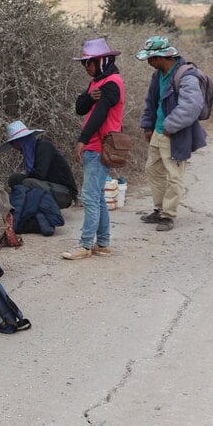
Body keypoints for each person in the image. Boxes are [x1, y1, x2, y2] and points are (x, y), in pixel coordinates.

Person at [61, 38, 125, 260]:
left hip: (99, 147)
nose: (86, 67)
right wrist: (89, 96)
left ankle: (85, 245)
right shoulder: (97, 83)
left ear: (102, 61)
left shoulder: (111, 83)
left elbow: (99, 115)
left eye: (88, 63)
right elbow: (80, 107)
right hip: (95, 146)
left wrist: (82, 138)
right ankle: (103, 243)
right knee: (96, 197)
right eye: (84, 63)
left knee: (89, 197)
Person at [136, 36, 207, 231]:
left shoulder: (187, 76)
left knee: (174, 176)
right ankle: (159, 209)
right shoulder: (157, 75)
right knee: (153, 170)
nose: (149, 62)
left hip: (174, 134)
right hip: (158, 132)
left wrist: (170, 126)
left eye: (151, 58)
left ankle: (168, 215)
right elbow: (151, 102)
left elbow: (192, 106)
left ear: (162, 56)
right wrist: (148, 126)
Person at [0, 120, 78, 209]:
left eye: (12, 143)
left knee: (28, 182)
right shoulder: (29, 152)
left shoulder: (43, 147)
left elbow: (40, 174)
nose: (13, 147)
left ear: (17, 141)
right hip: (49, 187)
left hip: (65, 193)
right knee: (15, 178)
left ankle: (34, 209)